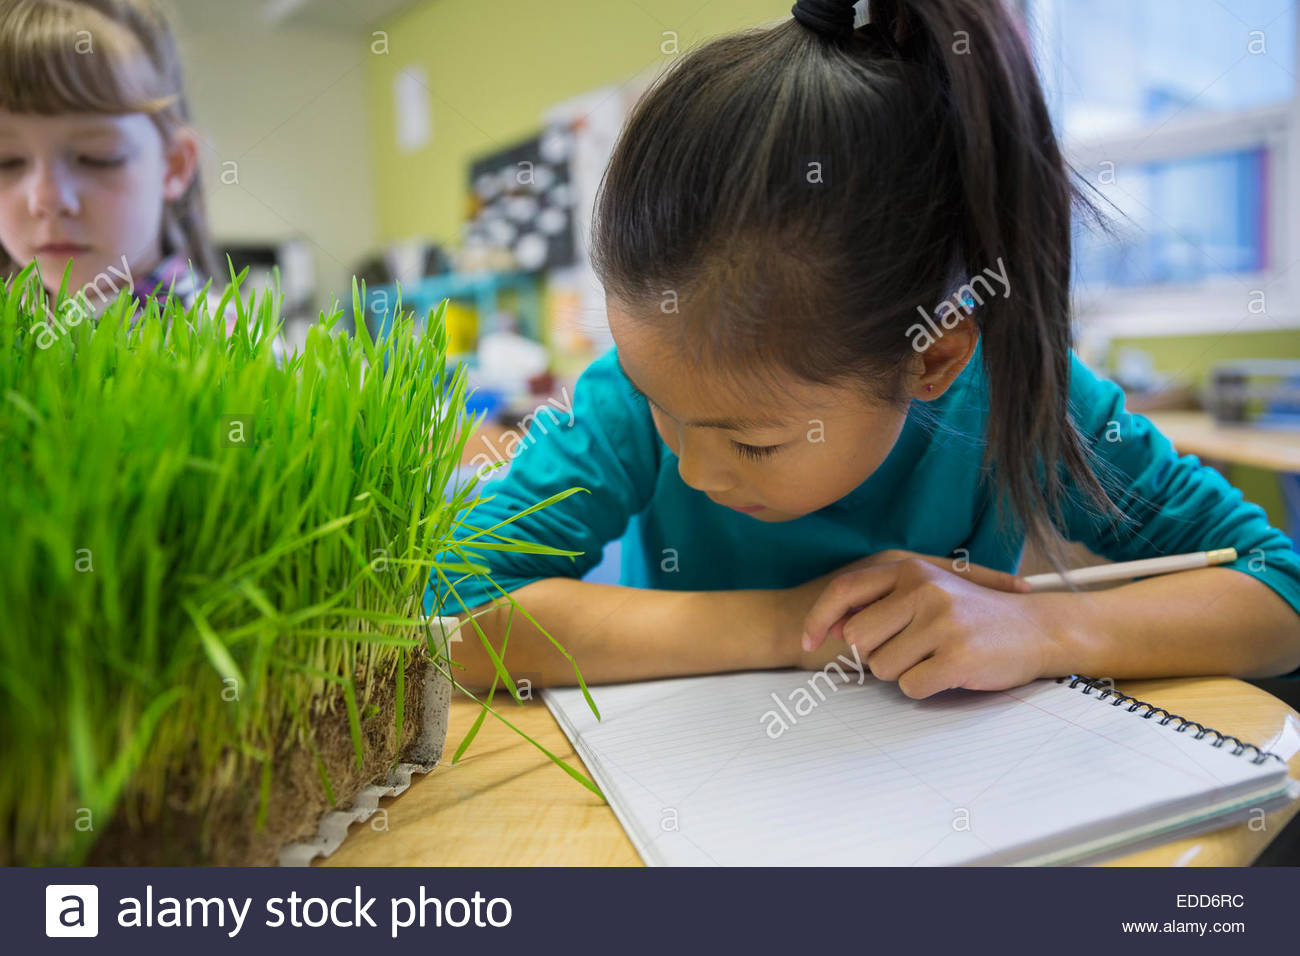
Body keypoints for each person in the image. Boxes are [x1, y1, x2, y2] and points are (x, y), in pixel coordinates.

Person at [427, 0, 1300, 698]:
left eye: (753, 442)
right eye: (665, 411)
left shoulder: (1026, 398)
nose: (693, 467)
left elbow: (1279, 585)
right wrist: (793, 624)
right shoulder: (632, 393)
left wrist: (1049, 628)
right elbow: (447, 612)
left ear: (931, 356)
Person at [0, 0, 220, 319]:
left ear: (174, 165)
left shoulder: (226, 341)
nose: (46, 199)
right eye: (6, 162)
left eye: (97, 159)